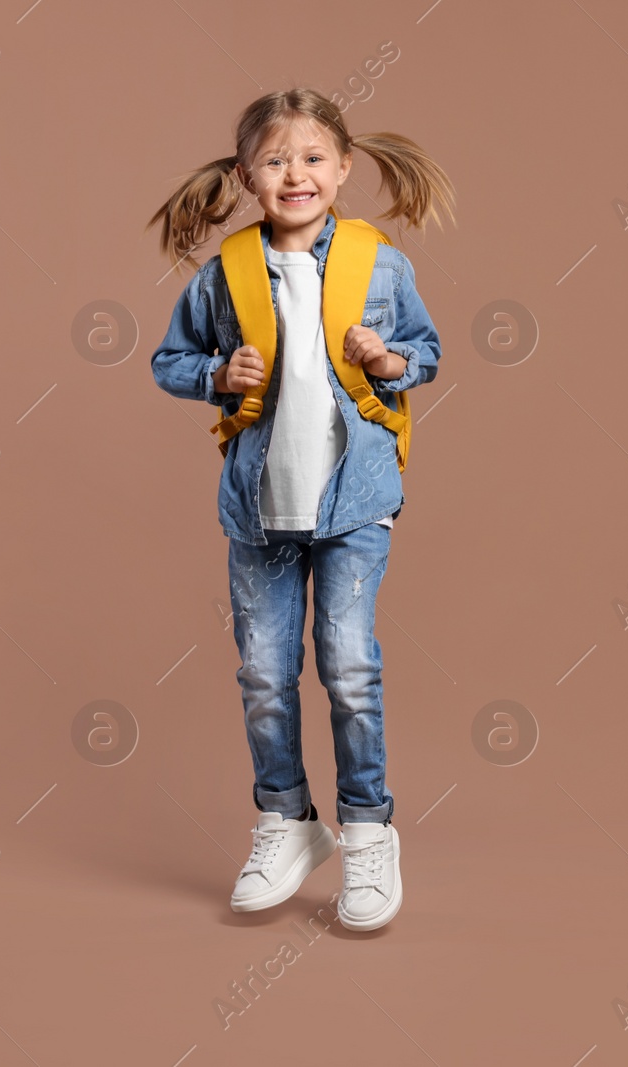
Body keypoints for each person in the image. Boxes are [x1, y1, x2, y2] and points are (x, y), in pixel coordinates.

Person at [147, 87, 455, 932]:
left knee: (349, 666)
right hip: (261, 508)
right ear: (248, 175)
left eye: (314, 157)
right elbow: (168, 359)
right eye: (277, 160)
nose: (297, 173)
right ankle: (288, 820)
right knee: (263, 676)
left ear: (344, 168)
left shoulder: (379, 261)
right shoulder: (226, 274)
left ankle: (366, 832)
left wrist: (386, 358)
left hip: (355, 498)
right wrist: (216, 375)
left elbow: (426, 352)